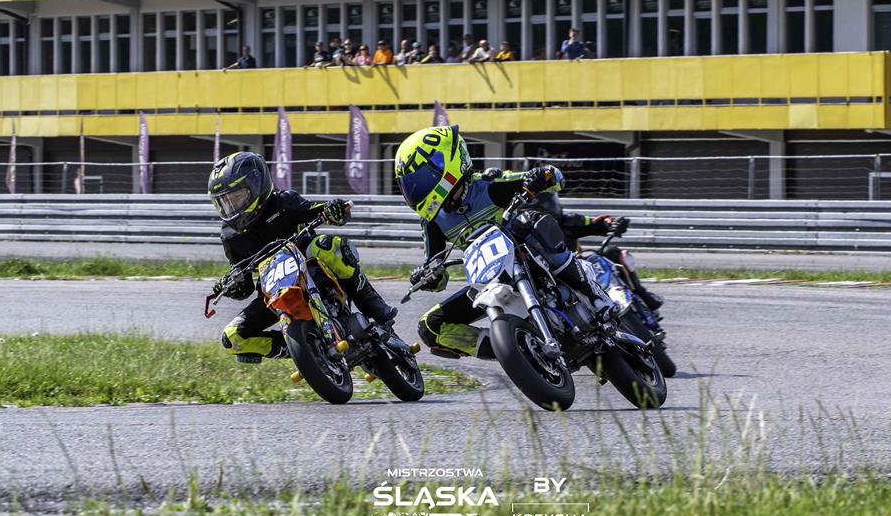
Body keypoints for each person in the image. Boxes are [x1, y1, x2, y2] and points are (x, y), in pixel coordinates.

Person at [394, 125, 617, 359]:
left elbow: (554, 179)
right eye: (410, 185)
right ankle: (517, 349)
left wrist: (542, 175)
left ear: (447, 163)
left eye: (420, 180)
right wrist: (429, 275)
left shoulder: (488, 184)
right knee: (430, 326)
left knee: (529, 221)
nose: (416, 190)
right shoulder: (432, 222)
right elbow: (437, 272)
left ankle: (594, 295)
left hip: (527, 258)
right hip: (489, 280)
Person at [208, 152, 396, 364]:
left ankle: (374, 306)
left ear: (257, 185)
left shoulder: (283, 202)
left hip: (312, 270)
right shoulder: (230, 236)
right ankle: (302, 349)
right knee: (232, 336)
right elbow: (244, 286)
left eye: (236, 197)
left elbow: (319, 211)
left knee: (326, 245)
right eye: (225, 201)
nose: (231, 206)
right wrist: (232, 284)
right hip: (273, 293)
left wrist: (334, 209)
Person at [557, 213, 664, 311]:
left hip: (583, 265)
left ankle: (642, 294)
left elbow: (595, 222)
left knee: (612, 251)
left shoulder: (567, 221)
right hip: (562, 280)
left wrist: (612, 223)